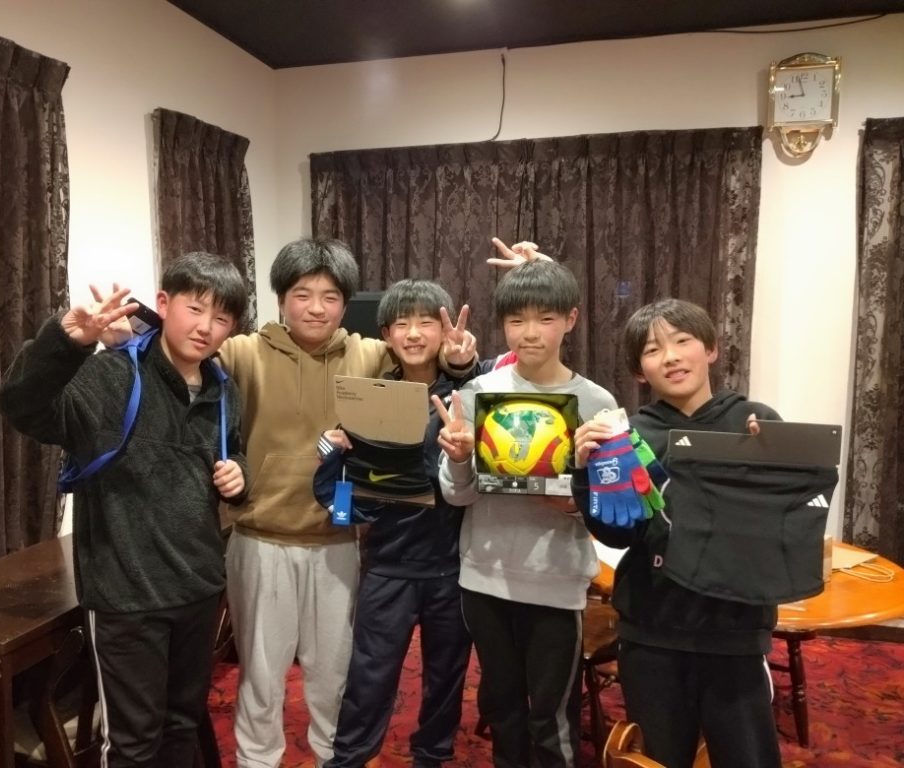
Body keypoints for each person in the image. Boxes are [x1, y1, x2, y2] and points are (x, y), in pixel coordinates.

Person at [217, 238, 476, 768]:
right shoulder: (243, 352)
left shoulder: (369, 354)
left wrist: (462, 361)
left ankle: (333, 758)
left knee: (336, 672)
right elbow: (186, 353)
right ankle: (256, 761)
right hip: (260, 539)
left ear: (345, 304)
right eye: (302, 294)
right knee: (261, 673)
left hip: (339, 542)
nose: (316, 307)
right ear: (281, 298)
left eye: (330, 296)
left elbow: (429, 360)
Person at [0, 252, 249, 768]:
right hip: (128, 597)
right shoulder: (112, 376)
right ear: (163, 304)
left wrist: (239, 477)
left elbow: (234, 453)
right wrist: (66, 342)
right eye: (195, 308)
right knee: (133, 744)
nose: (206, 327)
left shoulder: (224, 392)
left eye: (221, 317)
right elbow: (22, 407)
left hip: (199, 589)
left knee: (182, 726)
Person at [570, 298, 783, 768]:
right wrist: (584, 471)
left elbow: (780, 520)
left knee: (748, 757)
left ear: (711, 349)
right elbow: (618, 534)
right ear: (639, 371)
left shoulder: (755, 421)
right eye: (652, 350)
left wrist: (773, 457)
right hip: (652, 630)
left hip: (735, 631)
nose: (670, 356)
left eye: (682, 341)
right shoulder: (626, 435)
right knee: (659, 757)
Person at [436, 259, 617, 768]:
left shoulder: (595, 402)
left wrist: (575, 502)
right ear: (503, 325)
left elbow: (610, 506)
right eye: (517, 320)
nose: (530, 332)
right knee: (502, 709)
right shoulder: (477, 393)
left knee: (553, 718)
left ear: (571, 319)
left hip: (556, 581)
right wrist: (459, 460)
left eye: (545, 318)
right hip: (484, 578)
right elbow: (458, 497)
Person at [315, 280, 475, 768]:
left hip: (453, 565)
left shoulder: (470, 391)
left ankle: (431, 757)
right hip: (387, 561)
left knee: (446, 677)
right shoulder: (368, 396)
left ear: (443, 328)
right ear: (386, 333)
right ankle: (349, 758)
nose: (414, 333)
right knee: (369, 675)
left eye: (425, 321)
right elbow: (345, 489)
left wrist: (464, 368)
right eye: (401, 323)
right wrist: (330, 453)